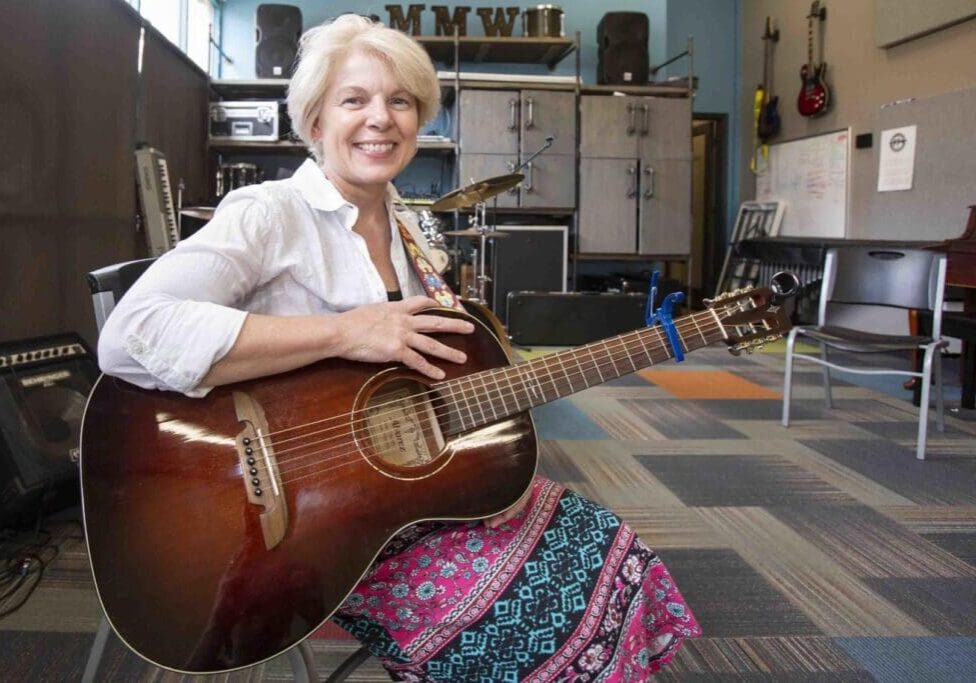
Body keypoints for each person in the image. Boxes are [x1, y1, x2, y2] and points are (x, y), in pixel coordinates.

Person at [98, 15, 700, 681]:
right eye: (354, 100)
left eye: (400, 101)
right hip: (308, 527)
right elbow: (133, 332)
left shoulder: (412, 229)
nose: (379, 119)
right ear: (316, 119)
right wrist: (344, 331)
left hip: (404, 495)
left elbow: (414, 376)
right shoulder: (268, 214)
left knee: (614, 547)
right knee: (531, 612)